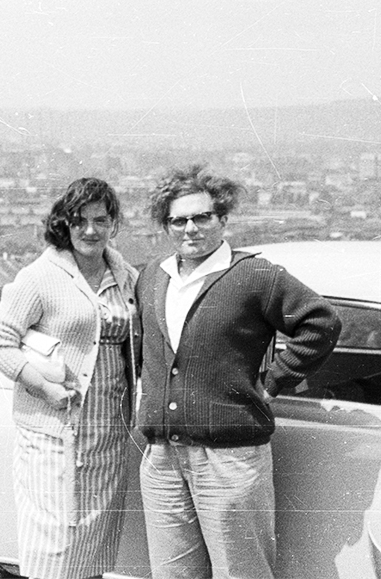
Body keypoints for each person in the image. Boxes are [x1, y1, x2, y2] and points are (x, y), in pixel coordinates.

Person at [134, 164, 342, 579]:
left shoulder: (254, 275)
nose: (190, 229)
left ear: (223, 219)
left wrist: (275, 379)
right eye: (178, 220)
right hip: (162, 459)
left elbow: (320, 322)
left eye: (201, 217)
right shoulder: (152, 278)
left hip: (229, 458)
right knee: (172, 573)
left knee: (241, 572)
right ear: (166, 227)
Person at [0, 177, 139, 579]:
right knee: (53, 544)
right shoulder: (39, 276)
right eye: (79, 220)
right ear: (63, 223)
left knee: (94, 543)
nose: (89, 230)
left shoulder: (125, 276)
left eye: (100, 220)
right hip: (54, 433)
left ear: (113, 224)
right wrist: (43, 386)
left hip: (108, 433)